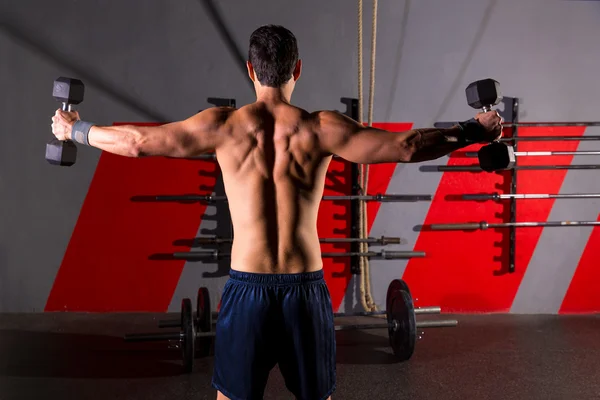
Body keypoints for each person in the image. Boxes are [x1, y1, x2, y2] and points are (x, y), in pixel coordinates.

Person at [51, 24, 502, 400]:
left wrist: (76, 130)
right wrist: (472, 130)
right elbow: (406, 147)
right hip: (304, 291)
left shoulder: (223, 127)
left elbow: (136, 143)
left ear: (251, 70)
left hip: (246, 290)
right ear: (297, 70)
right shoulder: (321, 128)